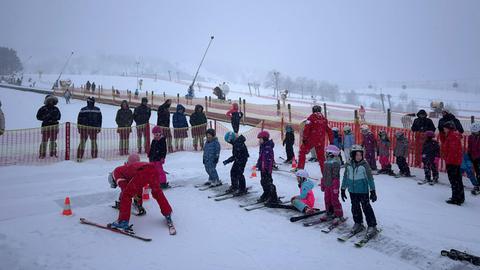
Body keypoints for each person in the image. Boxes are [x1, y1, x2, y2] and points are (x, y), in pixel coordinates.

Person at [109, 154, 174, 231]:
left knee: (126, 195)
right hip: (153, 169)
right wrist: (138, 202)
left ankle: (123, 222)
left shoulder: (117, 172)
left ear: (112, 180)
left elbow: (125, 190)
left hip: (142, 172)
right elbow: (137, 187)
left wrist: (122, 202)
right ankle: (167, 213)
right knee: (157, 192)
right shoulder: (128, 169)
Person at [341, 144, 378, 238]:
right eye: (357, 155)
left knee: (366, 208)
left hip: (363, 191)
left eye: (360, 155)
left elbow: (370, 179)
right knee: (355, 207)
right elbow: (345, 177)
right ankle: (358, 223)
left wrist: (373, 191)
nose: (359, 157)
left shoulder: (364, 165)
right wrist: (343, 189)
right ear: (352, 155)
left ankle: (372, 225)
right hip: (352, 191)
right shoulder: (348, 165)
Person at [297, 105, 333, 173]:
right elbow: (329, 130)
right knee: (321, 158)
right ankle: (325, 174)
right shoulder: (324, 119)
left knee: (302, 152)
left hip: (311, 140)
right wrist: (331, 141)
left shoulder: (311, 118)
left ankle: (300, 170)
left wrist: (304, 138)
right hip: (321, 141)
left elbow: (306, 128)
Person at [440, 121, 464, 205]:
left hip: (452, 161)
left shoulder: (452, 136)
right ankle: (460, 197)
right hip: (455, 161)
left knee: (454, 181)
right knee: (458, 180)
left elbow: (452, 150)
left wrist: (448, 159)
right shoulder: (453, 135)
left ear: (449, 128)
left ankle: (456, 198)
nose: (444, 129)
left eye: (445, 128)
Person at [320, 145, 344, 222]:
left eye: (327, 152)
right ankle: (329, 212)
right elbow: (324, 174)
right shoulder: (326, 162)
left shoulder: (335, 162)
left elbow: (336, 175)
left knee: (334, 200)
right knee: (327, 199)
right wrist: (323, 183)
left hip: (333, 185)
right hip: (327, 184)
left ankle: (338, 214)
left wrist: (335, 186)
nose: (325, 154)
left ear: (331, 153)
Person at [223, 131, 249, 195]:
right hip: (238, 159)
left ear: (231, 139)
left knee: (239, 174)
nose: (229, 143)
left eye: (229, 142)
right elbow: (236, 156)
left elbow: (236, 156)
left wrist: (228, 160)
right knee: (233, 172)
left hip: (242, 160)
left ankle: (242, 189)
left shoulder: (238, 144)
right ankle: (234, 186)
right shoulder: (236, 143)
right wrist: (228, 160)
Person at [256, 131, 279, 204]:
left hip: (266, 169)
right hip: (262, 169)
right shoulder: (263, 147)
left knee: (268, 183)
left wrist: (268, 168)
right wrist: (258, 164)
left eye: (260, 139)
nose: (259, 141)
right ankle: (266, 193)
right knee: (263, 182)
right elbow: (261, 157)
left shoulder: (268, 147)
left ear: (265, 139)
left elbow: (269, 159)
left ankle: (273, 197)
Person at [468, 122, 480, 195]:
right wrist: (469, 154)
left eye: (475, 132)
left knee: (479, 172)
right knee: (477, 172)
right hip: (473, 157)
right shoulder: (470, 137)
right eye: (473, 132)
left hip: (478, 157)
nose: (473, 133)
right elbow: (470, 146)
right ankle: (477, 185)